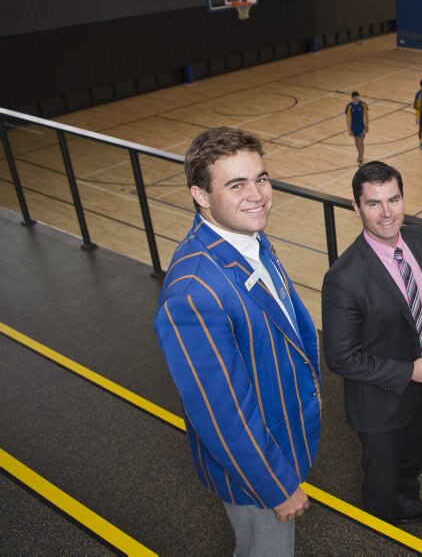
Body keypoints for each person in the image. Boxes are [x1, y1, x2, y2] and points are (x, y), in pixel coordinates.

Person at [153, 127, 321, 556]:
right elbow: (220, 411)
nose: (257, 194)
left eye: (260, 179)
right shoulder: (194, 291)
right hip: (257, 469)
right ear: (201, 195)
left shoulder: (250, 239)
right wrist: (277, 485)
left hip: (279, 439)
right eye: (236, 184)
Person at [322, 161, 422, 526]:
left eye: (393, 200)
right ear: (356, 207)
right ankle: (382, 534)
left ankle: (409, 504)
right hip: (379, 399)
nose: (386, 213)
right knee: (380, 481)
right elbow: (340, 357)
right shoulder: (343, 277)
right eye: (374, 203)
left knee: (412, 462)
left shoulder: (420, 239)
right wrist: (408, 370)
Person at [346, 91, 369, 165]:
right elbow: (348, 119)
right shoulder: (349, 106)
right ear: (352, 98)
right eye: (355, 99)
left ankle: (361, 158)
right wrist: (349, 129)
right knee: (356, 143)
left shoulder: (363, 104)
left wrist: (367, 126)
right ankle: (360, 154)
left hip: (361, 127)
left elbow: (366, 116)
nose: (357, 100)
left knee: (361, 142)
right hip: (354, 127)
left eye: (358, 98)